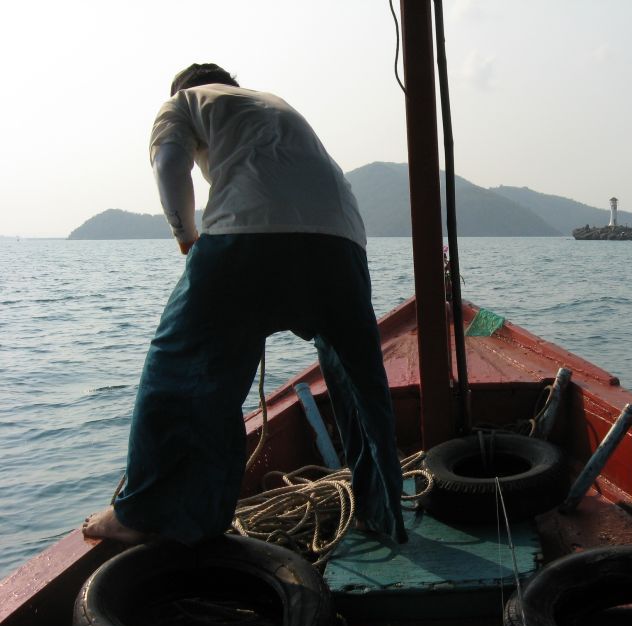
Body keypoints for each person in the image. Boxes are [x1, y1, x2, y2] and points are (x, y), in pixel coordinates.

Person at [83, 63, 407, 545]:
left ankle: (146, 513)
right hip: (341, 242)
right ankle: (381, 513)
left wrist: (187, 238)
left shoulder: (183, 102)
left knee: (178, 374)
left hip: (245, 235)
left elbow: (169, 164)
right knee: (360, 385)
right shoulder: (273, 105)